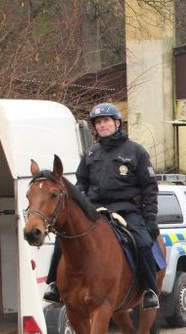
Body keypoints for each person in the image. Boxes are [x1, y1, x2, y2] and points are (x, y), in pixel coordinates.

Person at [44, 102, 162, 309]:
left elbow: (150, 188)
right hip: (94, 209)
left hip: (127, 209)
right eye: (98, 122)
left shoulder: (136, 152)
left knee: (143, 242)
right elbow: (82, 183)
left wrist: (150, 218)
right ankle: (53, 284)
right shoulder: (90, 154)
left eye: (106, 120)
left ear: (117, 123)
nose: (102, 125)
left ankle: (149, 290)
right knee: (63, 239)